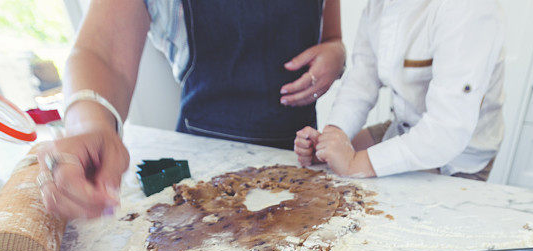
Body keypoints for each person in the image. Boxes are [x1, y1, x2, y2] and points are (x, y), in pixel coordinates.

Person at [38, 0, 345, 219]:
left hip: (299, 153)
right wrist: (88, 126)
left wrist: (336, 50)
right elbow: (101, 54)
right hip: (202, 159)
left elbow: (331, 35)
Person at [293, 0, 505, 180]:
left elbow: (448, 129)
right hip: (404, 125)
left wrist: (355, 163)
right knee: (325, 171)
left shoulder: (467, 9)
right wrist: (332, 138)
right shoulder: (379, 5)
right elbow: (361, 79)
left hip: (461, 154)